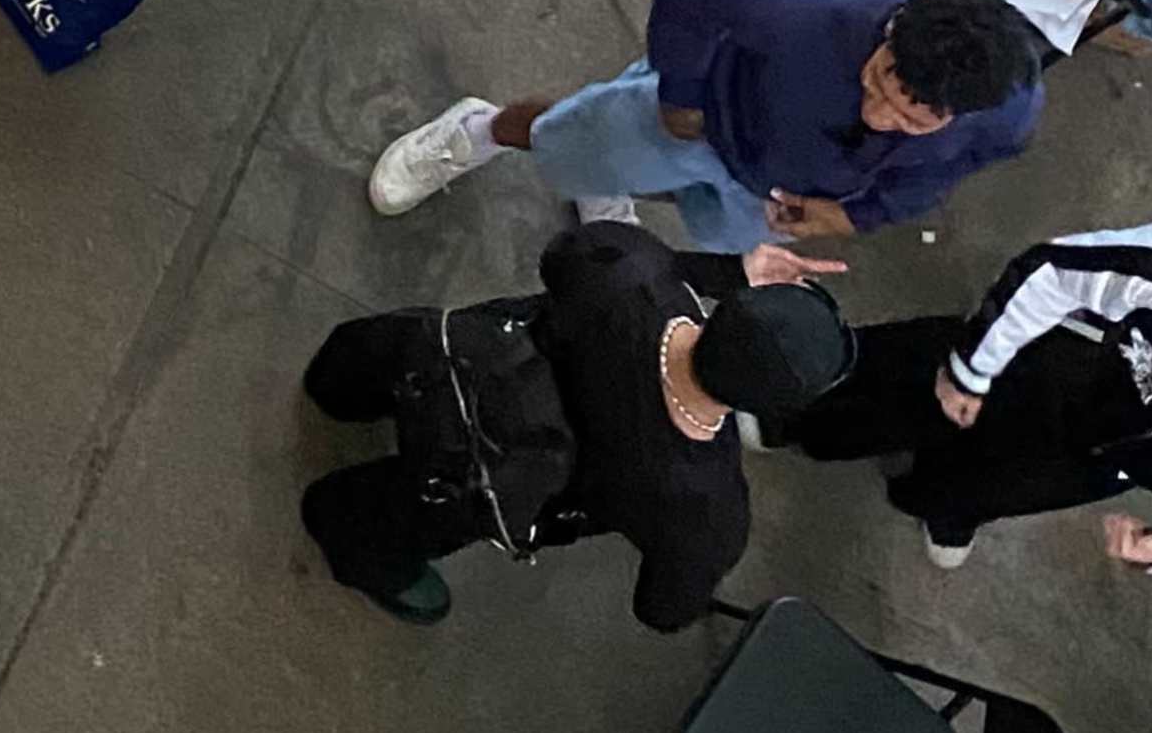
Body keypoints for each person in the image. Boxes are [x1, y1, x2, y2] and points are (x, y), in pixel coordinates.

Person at [781, 194, 1152, 577]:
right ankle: (801, 413)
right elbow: (1052, 273)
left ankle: (942, 500)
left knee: (992, 486)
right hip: (1065, 361)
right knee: (909, 389)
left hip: (1111, 463)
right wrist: (974, 367)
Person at [367, 0, 1043, 260]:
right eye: (881, 85)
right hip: (702, 122)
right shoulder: (798, 3)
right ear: (892, 32)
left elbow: (952, 168)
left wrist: (857, 216)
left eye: (911, 119)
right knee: (565, 144)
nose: (879, 116)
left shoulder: (1005, 108)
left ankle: (609, 190)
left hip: (778, 198)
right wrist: (681, 93)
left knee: (713, 236)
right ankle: (480, 130)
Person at [299, 225, 853, 629]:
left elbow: (562, 256)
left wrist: (727, 271)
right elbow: (662, 609)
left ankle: (336, 389)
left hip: (453, 361)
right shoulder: (707, 505)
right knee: (394, 519)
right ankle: (348, 532)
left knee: (378, 356)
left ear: (733, 306)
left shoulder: (634, 273)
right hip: (489, 478)